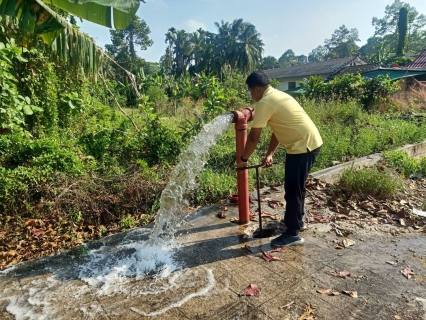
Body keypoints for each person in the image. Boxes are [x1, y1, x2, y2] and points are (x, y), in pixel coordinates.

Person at [236, 71, 323, 247]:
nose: (251, 95)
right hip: (307, 143)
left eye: (250, 91)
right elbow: (278, 128)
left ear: (257, 89)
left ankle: (293, 234)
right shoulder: (278, 95)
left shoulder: (265, 102)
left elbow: (253, 137)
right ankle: (297, 222)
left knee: (293, 190)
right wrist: (270, 154)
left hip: (302, 147)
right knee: (296, 188)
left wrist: (243, 158)